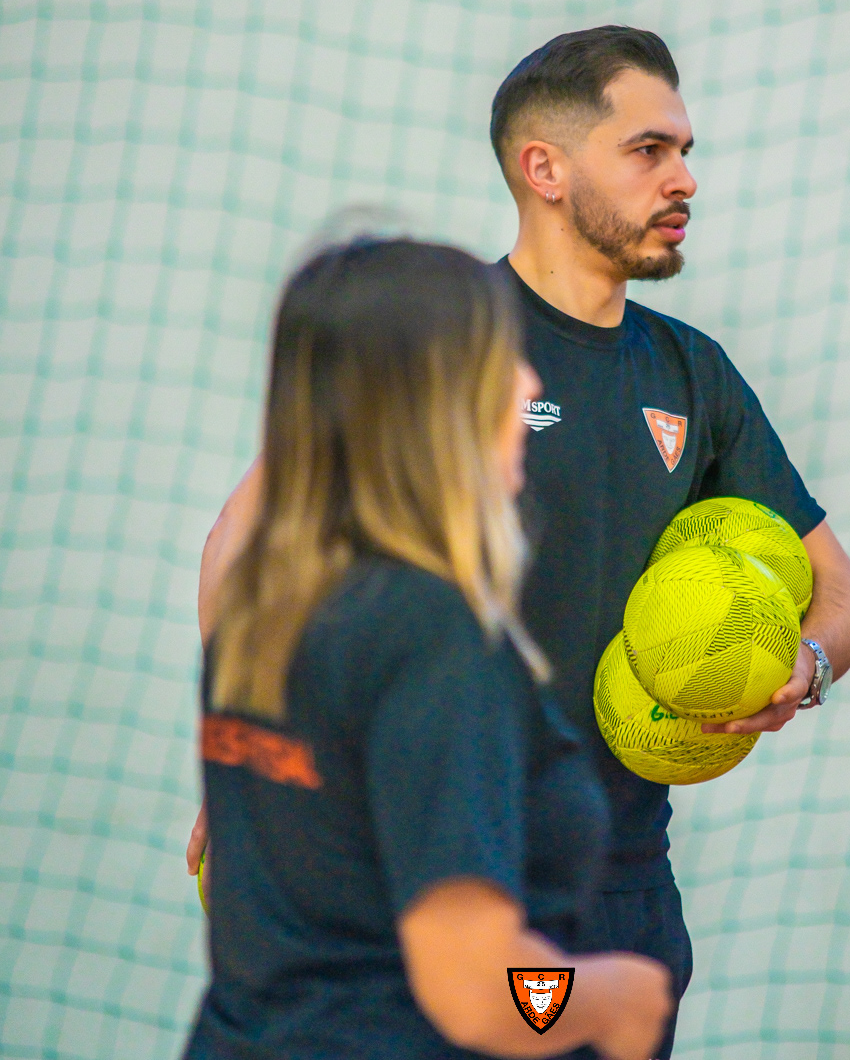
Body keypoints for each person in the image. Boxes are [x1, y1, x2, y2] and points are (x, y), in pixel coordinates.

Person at [188, 27, 850, 1059]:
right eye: (648, 150)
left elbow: (841, 592)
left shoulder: (695, 374)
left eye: (686, 151)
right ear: (543, 168)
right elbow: (246, 539)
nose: (684, 179)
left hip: (613, 877)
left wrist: (804, 665)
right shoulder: (442, 336)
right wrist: (254, 772)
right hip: (435, 869)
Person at [184, 237, 672, 1060]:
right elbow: (475, 990)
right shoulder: (430, 634)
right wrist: (615, 997)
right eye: (500, 364)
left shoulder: (261, 608)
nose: (529, 387)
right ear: (430, 405)